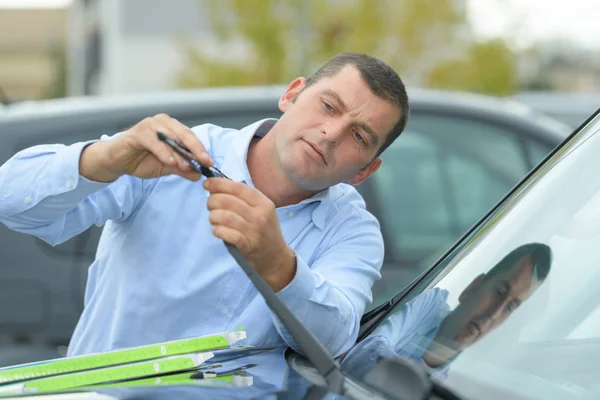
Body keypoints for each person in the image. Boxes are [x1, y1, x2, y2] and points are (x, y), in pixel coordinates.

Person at [0, 53, 410, 358]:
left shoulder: (353, 230)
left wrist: (277, 264)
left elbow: (334, 342)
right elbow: (10, 202)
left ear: (365, 171)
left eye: (359, 136)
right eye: (329, 106)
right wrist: (105, 157)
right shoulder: (174, 153)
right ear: (291, 95)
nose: (332, 132)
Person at [340, 243, 552, 379]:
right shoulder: (429, 304)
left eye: (510, 308)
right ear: (472, 287)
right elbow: (361, 356)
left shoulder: (468, 378)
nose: (493, 314)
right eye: (499, 291)